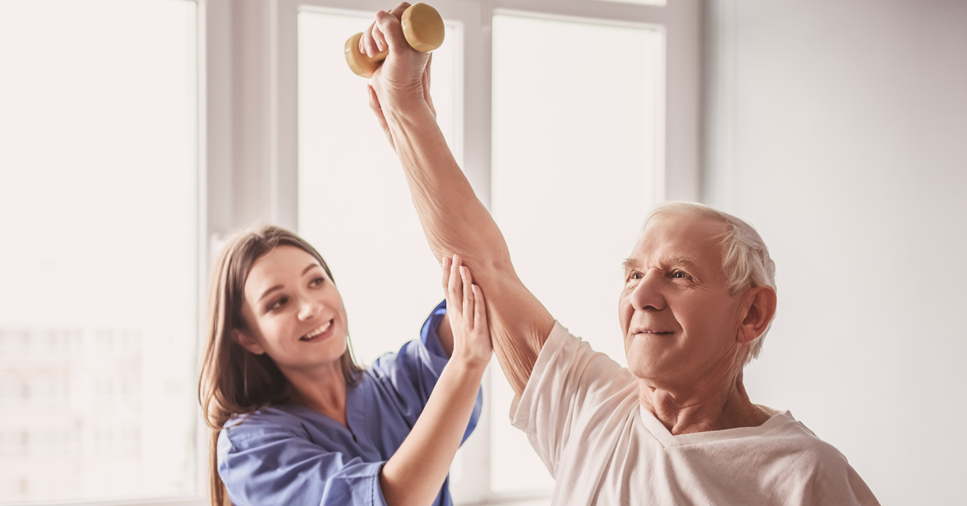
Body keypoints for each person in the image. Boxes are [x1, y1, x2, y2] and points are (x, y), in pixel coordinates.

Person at [360, 4, 880, 504]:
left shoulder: (805, 475)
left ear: (751, 313)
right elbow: (484, 266)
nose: (643, 297)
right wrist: (407, 106)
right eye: (632, 275)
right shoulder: (590, 407)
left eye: (679, 275)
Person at [197, 225, 492, 506]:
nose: (311, 307)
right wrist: (467, 363)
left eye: (316, 281)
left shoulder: (397, 382)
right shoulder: (251, 449)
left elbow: (480, 285)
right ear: (248, 338)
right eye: (279, 302)